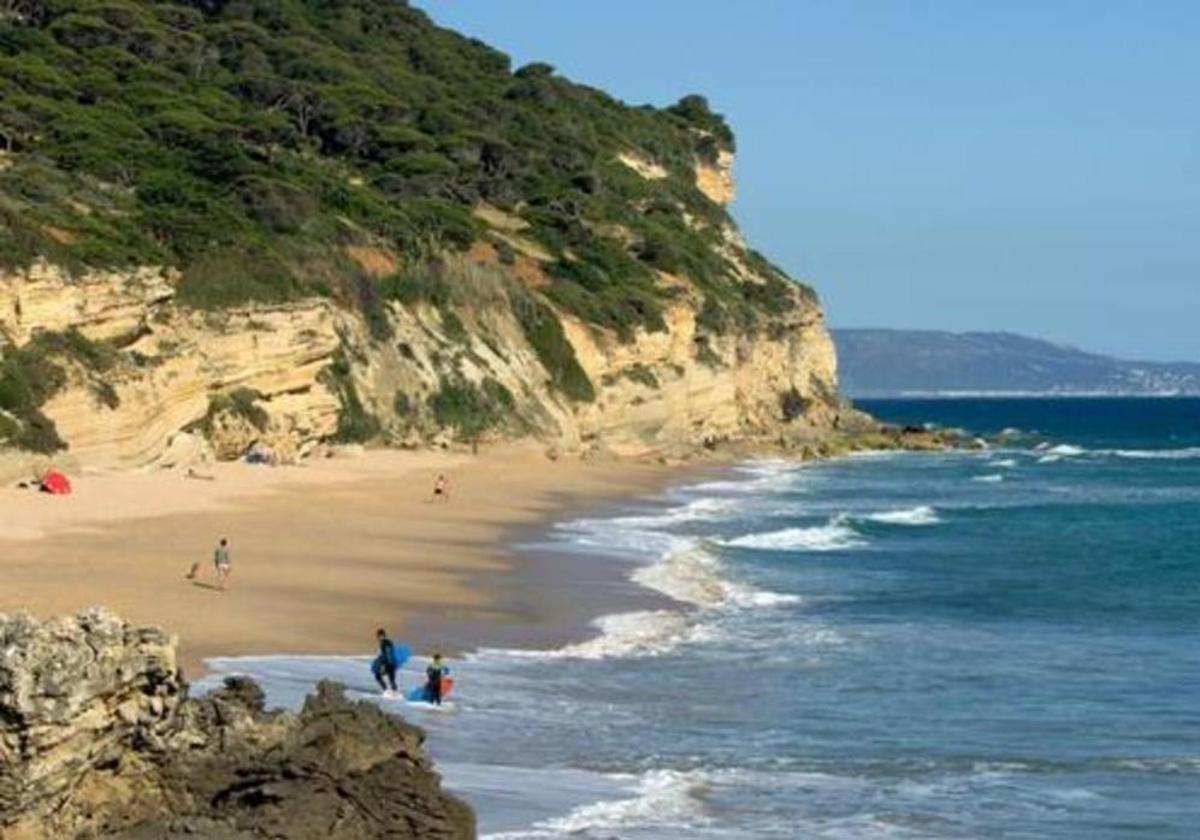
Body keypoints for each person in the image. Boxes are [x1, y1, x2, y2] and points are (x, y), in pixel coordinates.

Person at [371, 629, 399, 694]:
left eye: (378, 636)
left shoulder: (384, 643)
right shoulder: (389, 642)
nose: (377, 638)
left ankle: (386, 690)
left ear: (381, 636)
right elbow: (391, 653)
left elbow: (387, 654)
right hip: (393, 664)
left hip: (387, 664)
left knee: (378, 675)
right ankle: (395, 692)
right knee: (392, 680)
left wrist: (383, 665)